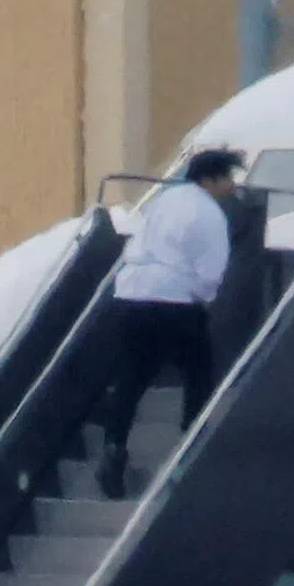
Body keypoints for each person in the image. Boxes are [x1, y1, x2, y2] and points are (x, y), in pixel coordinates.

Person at [96, 147, 244, 500]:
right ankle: (188, 447)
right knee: (198, 373)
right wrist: (202, 299)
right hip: (175, 298)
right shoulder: (209, 214)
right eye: (228, 178)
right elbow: (211, 273)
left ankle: (113, 450)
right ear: (210, 179)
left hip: (131, 293)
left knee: (131, 378)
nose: (232, 186)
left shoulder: (161, 202)